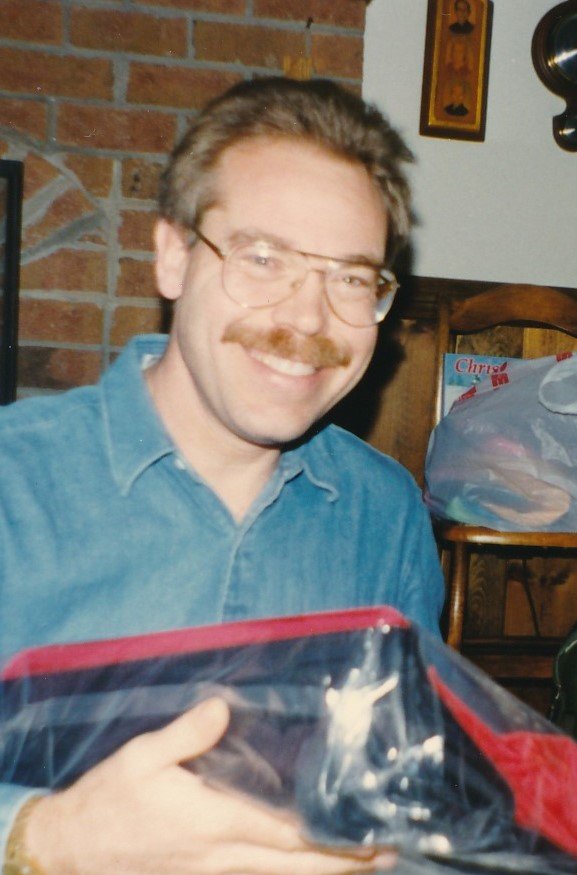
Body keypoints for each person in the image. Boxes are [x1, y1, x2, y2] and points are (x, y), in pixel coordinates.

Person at [0, 77, 445, 874]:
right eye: (262, 257)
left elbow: (414, 790)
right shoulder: (13, 483)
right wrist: (44, 837)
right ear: (173, 257)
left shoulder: (385, 515)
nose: (306, 318)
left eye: (350, 277)